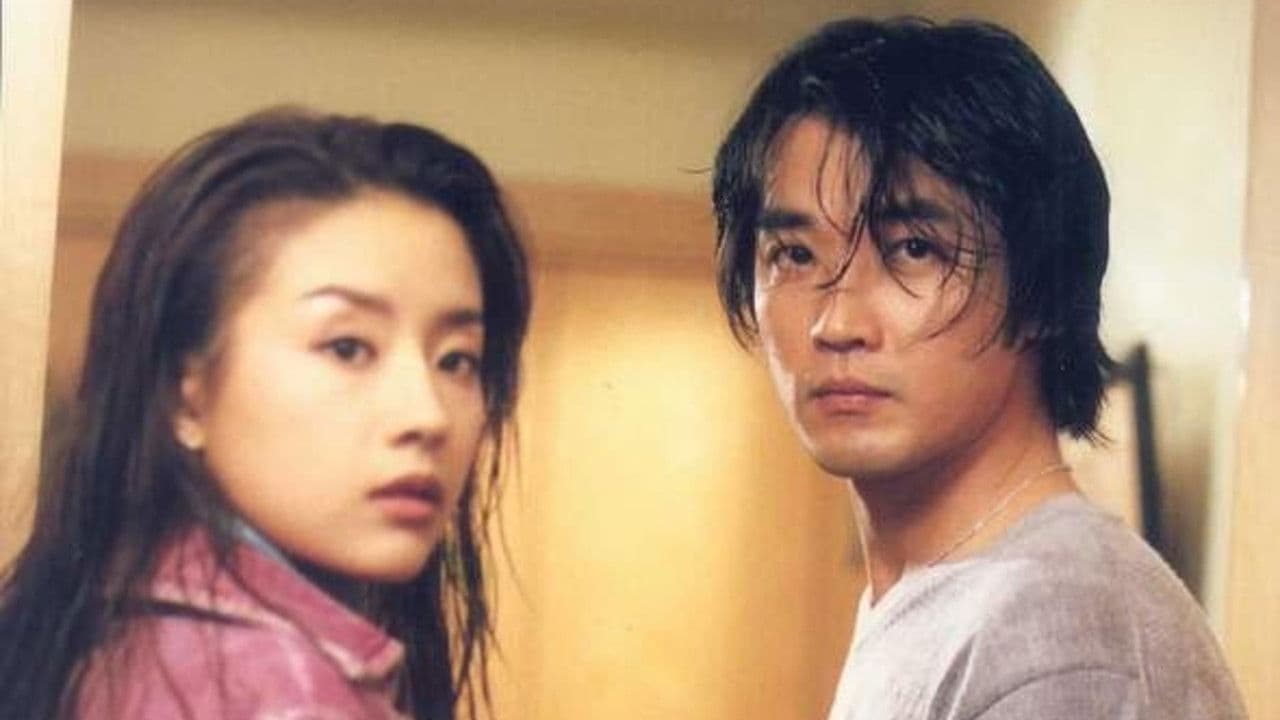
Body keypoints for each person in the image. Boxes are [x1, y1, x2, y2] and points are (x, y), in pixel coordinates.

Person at [712, 17, 1245, 719]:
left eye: (914, 250)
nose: (834, 324)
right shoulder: (944, 592)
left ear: (1042, 292)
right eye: (795, 256)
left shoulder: (1061, 631)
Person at [0, 108, 530, 719]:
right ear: (186, 394)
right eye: (348, 347)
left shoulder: (123, 641)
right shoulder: (274, 695)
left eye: (456, 359)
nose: (427, 415)